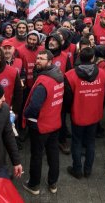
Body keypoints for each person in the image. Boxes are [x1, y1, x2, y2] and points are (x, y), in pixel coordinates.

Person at [63, 47, 105, 179]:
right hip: (95, 114)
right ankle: (88, 170)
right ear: (93, 58)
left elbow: (67, 98)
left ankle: (77, 169)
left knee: (76, 142)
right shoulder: (103, 73)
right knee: (90, 143)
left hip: (78, 114)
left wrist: (68, 111)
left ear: (79, 58)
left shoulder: (70, 75)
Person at [22, 50, 65, 195]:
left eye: (41, 59)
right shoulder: (58, 75)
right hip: (54, 122)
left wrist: (25, 114)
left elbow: (34, 107)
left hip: (40, 126)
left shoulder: (44, 82)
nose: (37, 61)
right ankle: (53, 183)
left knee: (37, 155)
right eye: (37, 58)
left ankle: (34, 185)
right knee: (53, 154)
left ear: (50, 61)